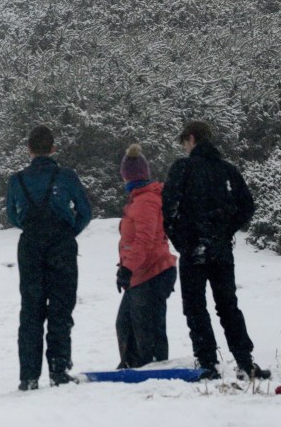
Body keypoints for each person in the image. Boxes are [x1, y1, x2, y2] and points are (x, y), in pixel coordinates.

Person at [161, 120, 271, 381]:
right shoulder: (226, 170)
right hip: (221, 249)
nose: (184, 147)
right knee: (228, 305)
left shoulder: (183, 168)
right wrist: (226, 230)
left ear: (191, 139)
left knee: (195, 306)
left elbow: (168, 208)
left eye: (184, 142)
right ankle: (245, 361)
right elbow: (247, 206)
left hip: (193, 249)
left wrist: (181, 239)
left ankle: (208, 362)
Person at [6, 125, 92, 390]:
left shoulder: (16, 180)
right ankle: (59, 370)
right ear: (53, 148)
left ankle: (29, 376)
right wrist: (69, 232)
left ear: (29, 149)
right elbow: (85, 212)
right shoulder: (66, 176)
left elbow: (12, 215)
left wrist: (30, 228)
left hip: (30, 245)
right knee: (60, 307)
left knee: (30, 310)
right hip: (61, 245)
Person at [115, 143, 177, 369]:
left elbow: (144, 239)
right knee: (127, 323)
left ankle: (150, 367)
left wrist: (127, 268)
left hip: (153, 272)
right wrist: (126, 268)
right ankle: (134, 364)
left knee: (146, 327)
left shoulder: (146, 201)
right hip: (141, 273)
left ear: (128, 177)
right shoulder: (139, 199)